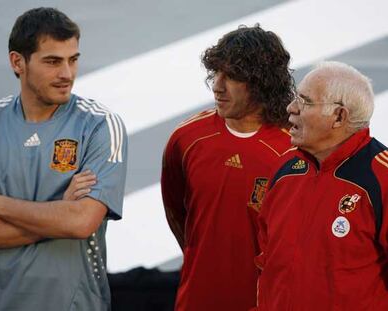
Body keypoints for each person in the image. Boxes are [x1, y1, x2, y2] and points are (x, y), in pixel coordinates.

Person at [0, 7, 127, 311]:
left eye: (73, 60)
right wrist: (59, 214)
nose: (66, 74)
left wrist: (0, 205)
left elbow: (82, 222)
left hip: (76, 304)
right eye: (53, 62)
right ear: (18, 62)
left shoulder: (99, 125)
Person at [161, 25, 295, 311]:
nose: (217, 85)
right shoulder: (186, 138)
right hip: (196, 299)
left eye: (232, 76)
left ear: (262, 82)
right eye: (216, 73)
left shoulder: (295, 151)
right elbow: (178, 214)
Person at [254, 61, 388, 310]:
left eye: (304, 101)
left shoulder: (382, 179)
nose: (290, 108)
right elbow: (266, 261)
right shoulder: (284, 169)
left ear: (339, 116)